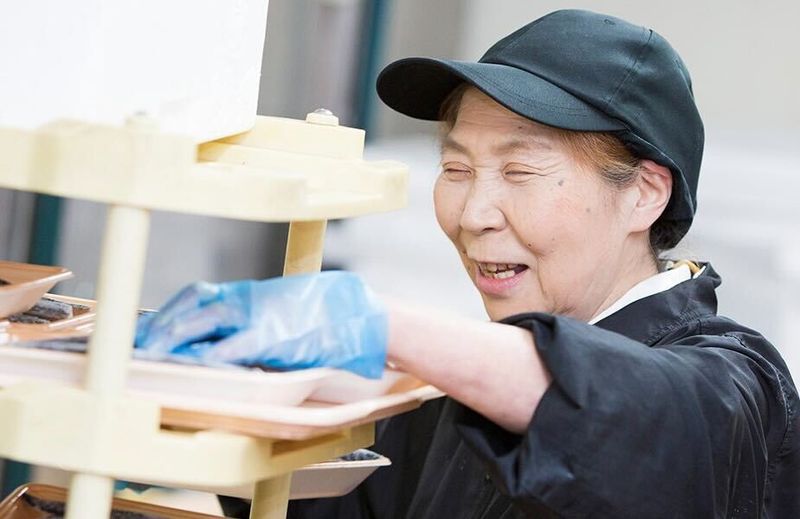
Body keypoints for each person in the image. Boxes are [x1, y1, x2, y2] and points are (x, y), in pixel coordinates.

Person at [136, 9, 800, 518]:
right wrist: (224, 405)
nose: (474, 212)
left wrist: (376, 321)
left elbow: (636, 414)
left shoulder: (739, 386)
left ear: (645, 194)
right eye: (456, 169)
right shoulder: (453, 397)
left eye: (519, 170)